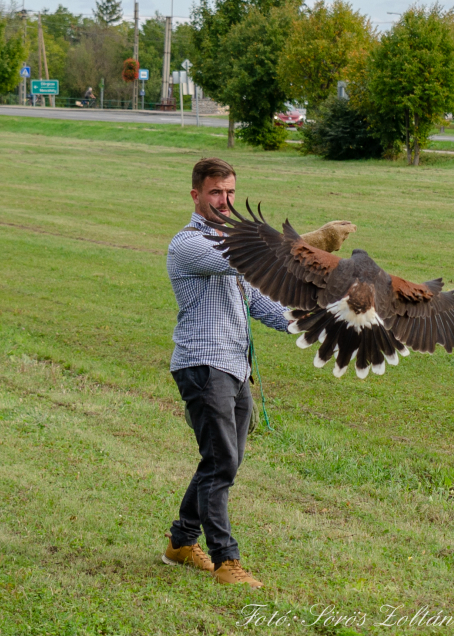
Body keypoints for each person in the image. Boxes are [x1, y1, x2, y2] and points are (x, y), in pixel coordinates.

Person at [162, 158, 288, 587]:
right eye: (216, 193)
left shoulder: (232, 247)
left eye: (231, 192)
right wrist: (306, 244)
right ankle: (226, 562)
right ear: (196, 195)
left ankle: (180, 543)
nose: (225, 201)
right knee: (221, 462)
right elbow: (240, 260)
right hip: (203, 365)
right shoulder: (189, 244)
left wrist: (315, 321)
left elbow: (262, 303)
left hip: (236, 367)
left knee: (222, 464)